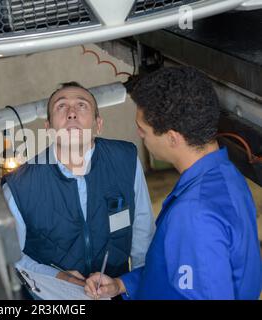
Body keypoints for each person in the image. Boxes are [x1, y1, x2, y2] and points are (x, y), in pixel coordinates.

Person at [85, 67, 262, 300]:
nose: (140, 135)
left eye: (143, 129)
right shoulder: (225, 174)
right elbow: (178, 275)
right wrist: (122, 284)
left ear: (172, 138)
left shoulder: (194, 215)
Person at [1, 81, 155, 296]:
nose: (72, 113)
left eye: (82, 106)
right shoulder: (19, 185)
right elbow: (10, 256)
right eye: (61, 106)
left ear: (98, 124)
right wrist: (57, 277)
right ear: (49, 128)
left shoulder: (125, 160)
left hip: (115, 291)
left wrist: (133, 286)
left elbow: (142, 232)